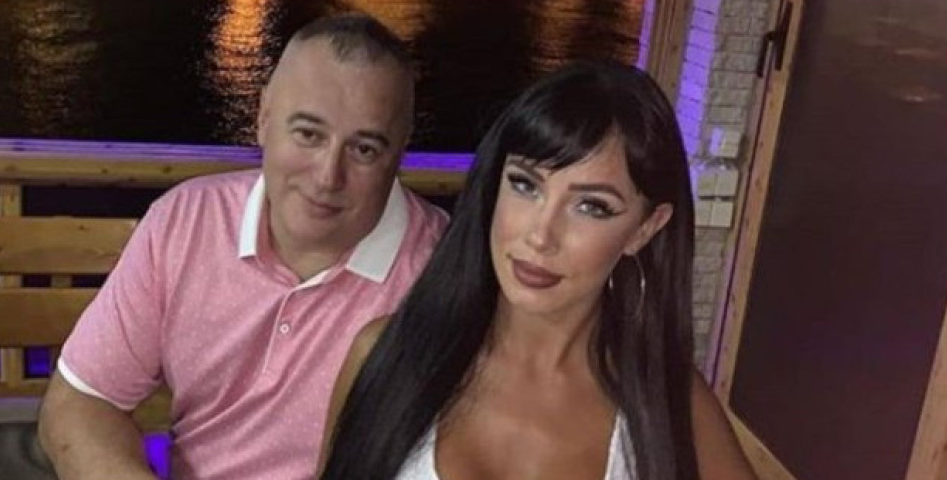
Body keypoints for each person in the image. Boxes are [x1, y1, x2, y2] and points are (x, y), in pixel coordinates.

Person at [37, 13, 448, 480]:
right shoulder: (186, 221)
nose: (327, 176)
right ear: (263, 118)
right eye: (308, 134)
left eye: (364, 149)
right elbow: (82, 400)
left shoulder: (446, 269)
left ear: (401, 152)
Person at [318, 61, 756, 480]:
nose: (541, 235)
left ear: (645, 229)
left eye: (591, 206)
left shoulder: (670, 404)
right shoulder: (385, 356)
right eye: (525, 184)